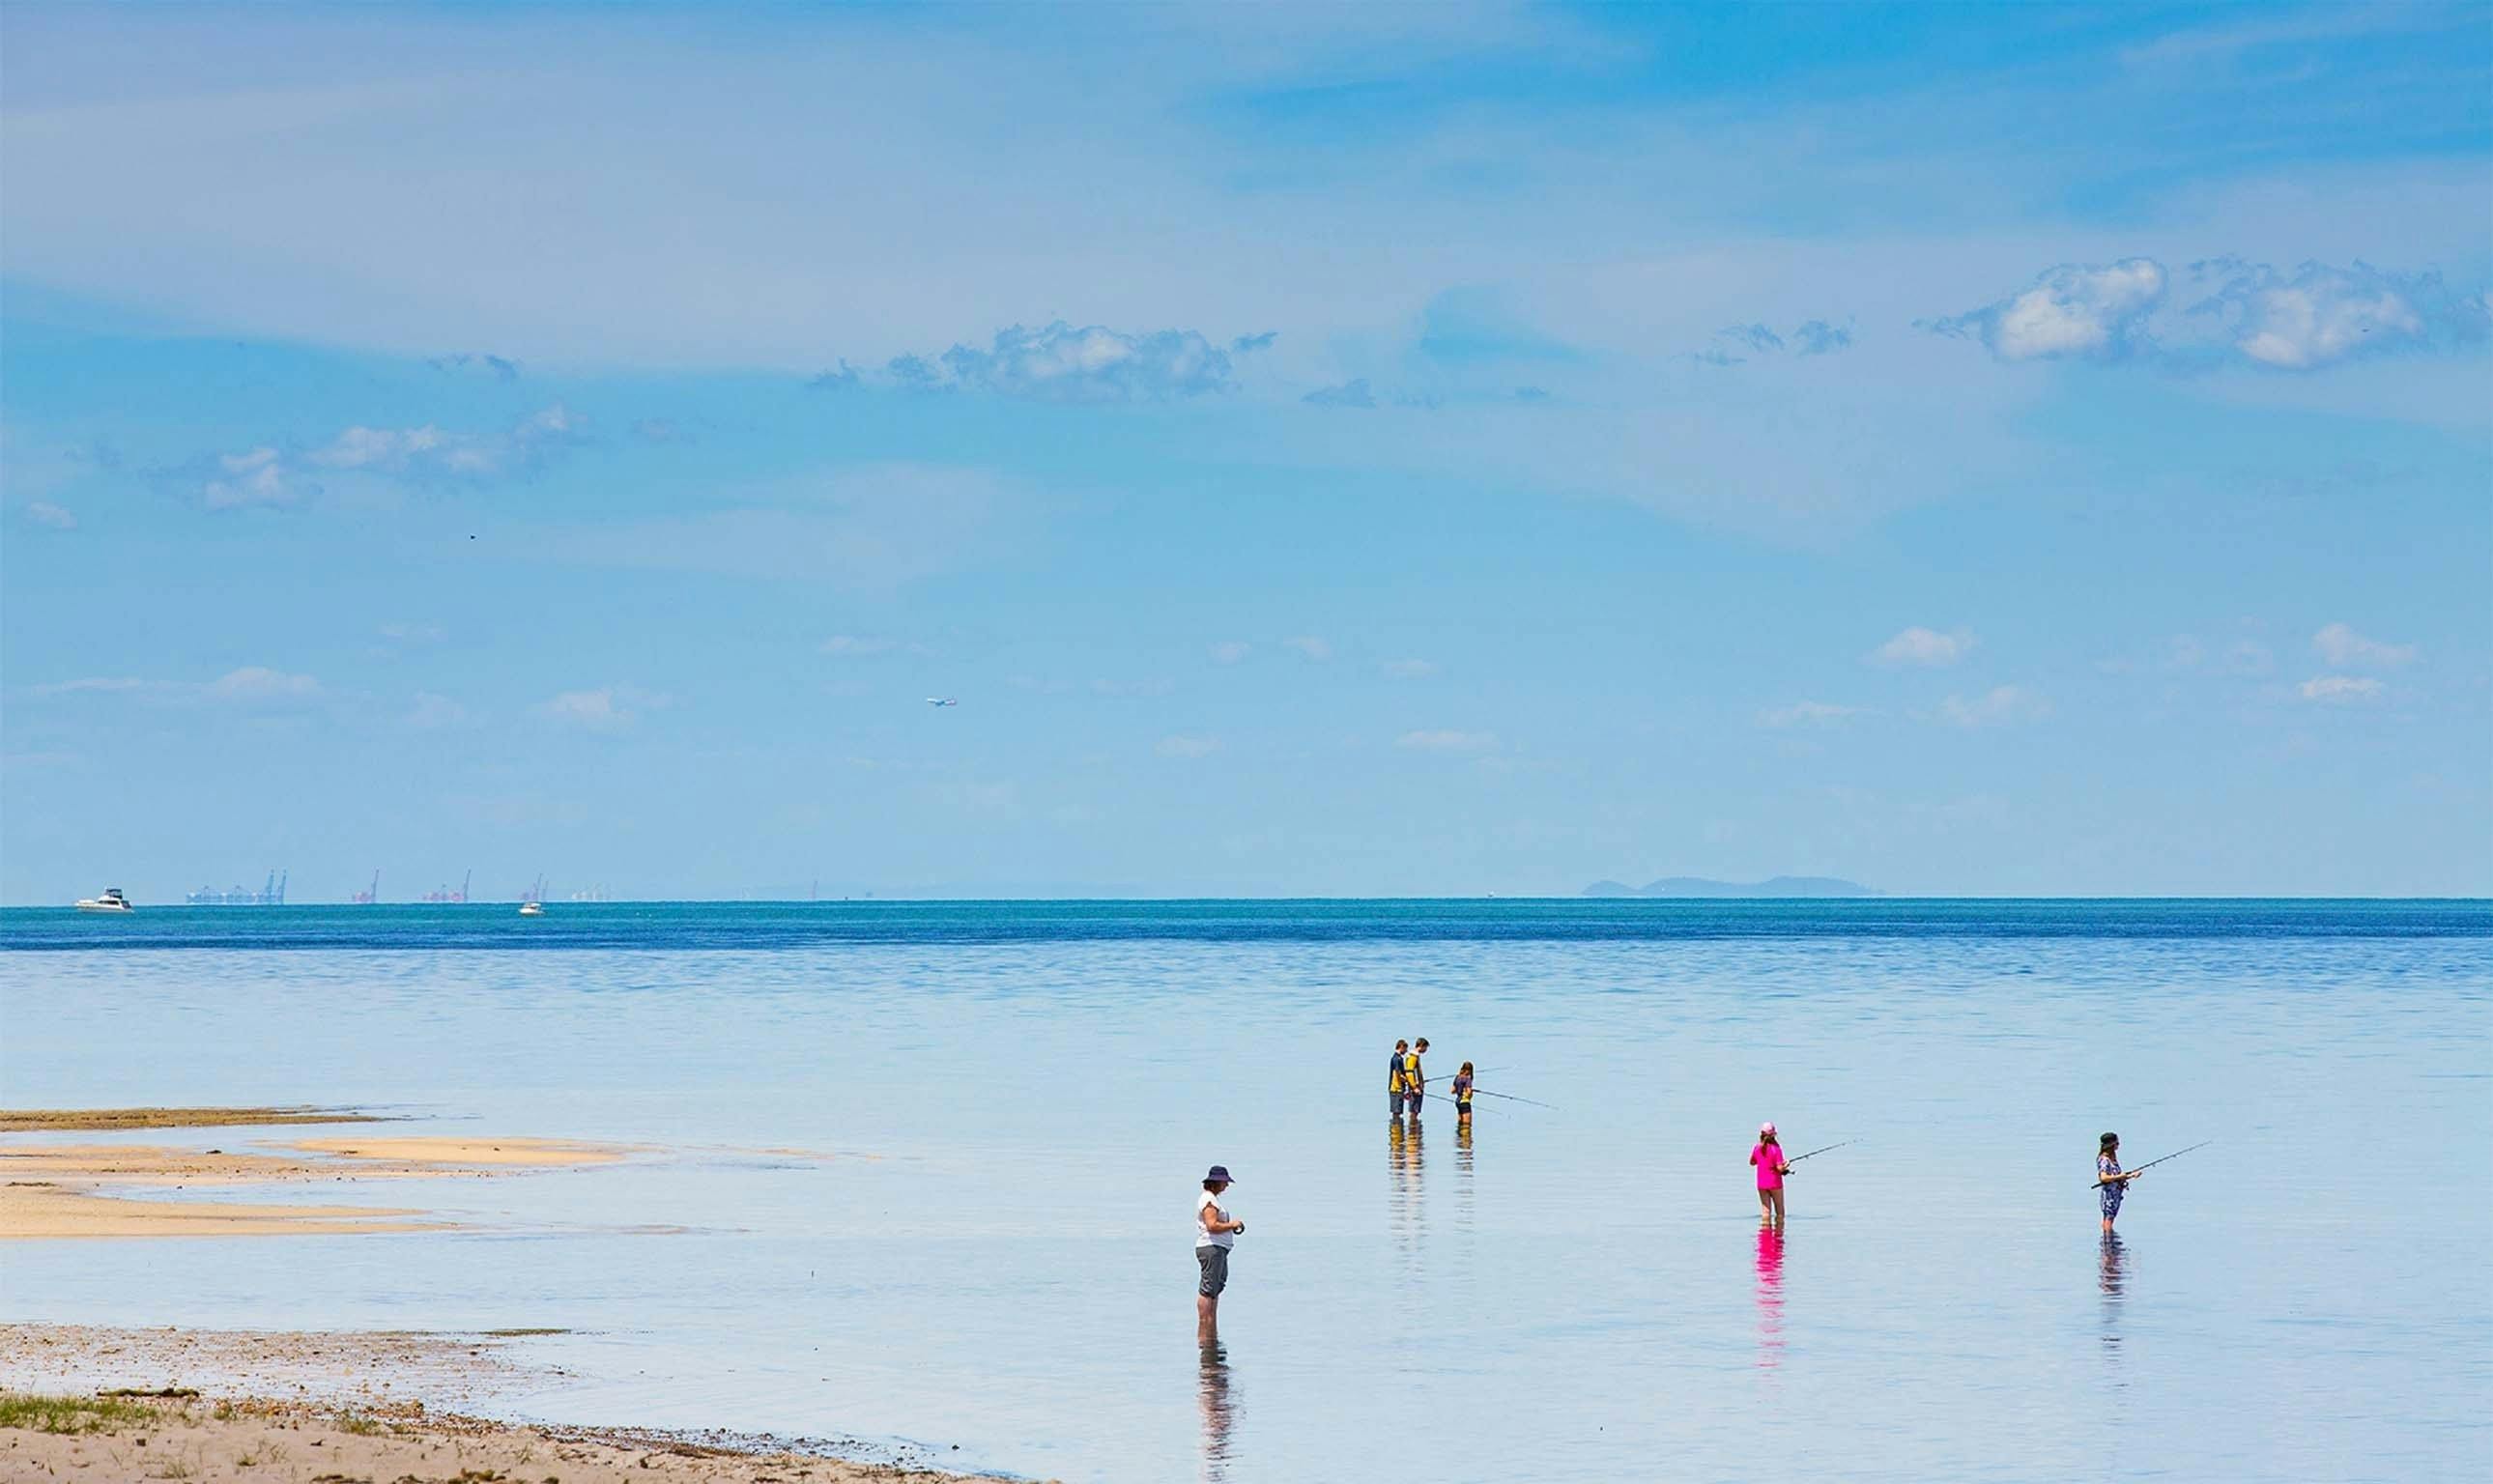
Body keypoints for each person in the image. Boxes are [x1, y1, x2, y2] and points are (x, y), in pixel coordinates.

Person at [1196, 1164, 1245, 1339]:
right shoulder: (1209, 1200)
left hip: (1218, 1248)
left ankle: (1211, 1325)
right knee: (1208, 1288)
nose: (1226, 1185)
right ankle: (1205, 1325)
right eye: (1224, 1182)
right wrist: (1232, 1225)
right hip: (1211, 1247)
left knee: (1216, 1286)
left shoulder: (1212, 1199)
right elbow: (1212, 1226)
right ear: (1216, 1182)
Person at [2096, 1132, 2140, 1232]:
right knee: (2108, 1219)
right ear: (2111, 1144)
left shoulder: (2113, 1159)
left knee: (2110, 1218)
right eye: (2117, 1143)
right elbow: (2104, 1178)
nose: (2118, 1145)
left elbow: (2116, 1177)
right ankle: (2108, 1240)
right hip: (2109, 1196)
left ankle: (2107, 1241)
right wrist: (2121, 1176)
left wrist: (2131, 1175)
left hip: (2115, 1195)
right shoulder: (2104, 1160)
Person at [1751, 1122, 1791, 1227]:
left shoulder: (1757, 1147)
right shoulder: (1776, 1149)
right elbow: (1779, 1168)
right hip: (1775, 1183)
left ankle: (1764, 1236)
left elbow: (1752, 1162)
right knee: (1780, 1211)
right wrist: (1785, 1165)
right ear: (1774, 1135)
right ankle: (1778, 1234)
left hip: (1761, 1183)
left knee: (1765, 1211)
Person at [1401, 1038, 1429, 1122]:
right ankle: (1413, 1130)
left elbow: (1415, 1073)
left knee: (1415, 1110)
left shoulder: (1414, 1057)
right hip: (1415, 1087)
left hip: (1417, 1085)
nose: (1426, 1050)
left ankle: (1414, 1128)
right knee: (1414, 1110)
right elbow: (1409, 1073)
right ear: (1421, 1046)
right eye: (1425, 1047)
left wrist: (1421, 1081)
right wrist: (1414, 1087)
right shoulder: (1413, 1057)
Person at [1387, 1039, 1410, 1121]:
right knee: (1396, 1111)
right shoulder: (1396, 1058)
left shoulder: (1399, 1058)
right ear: (1401, 1047)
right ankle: (1396, 1130)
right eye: (1405, 1048)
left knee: (1398, 1111)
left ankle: (1398, 1130)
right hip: (1396, 1089)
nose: (1406, 1051)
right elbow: (1398, 1074)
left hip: (1399, 1089)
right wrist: (1408, 1081)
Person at [1451, 1061, 1476, 1127]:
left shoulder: (1457, 1077)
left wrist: (1460, 1089)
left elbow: (1452, 1091)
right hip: (1465, 1102)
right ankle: (1465, 1137)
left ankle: (1459, 1136)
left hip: (1458, 1102)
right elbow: (1468, 1092)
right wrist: (1470, 1092)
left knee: (1460, 1124)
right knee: (1467, 1125)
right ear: (1469, 1070)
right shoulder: (1467, 1079)